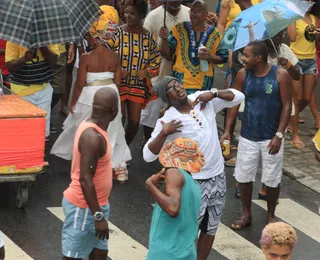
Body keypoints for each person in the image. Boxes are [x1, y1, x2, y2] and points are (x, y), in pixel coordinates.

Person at [143, 76, 244, 259]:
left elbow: (238, 96)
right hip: (194, 182)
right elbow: (147, 155)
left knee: (210, 227)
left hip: (218, 176)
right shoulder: (169, 119)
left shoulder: (202, 99)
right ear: (167, 98)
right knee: (188, 229)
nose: (178, 88)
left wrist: (214, 93)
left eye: (178, 83)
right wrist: (164, 133)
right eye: (171, 88)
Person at [221, 41, 292, 229]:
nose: (242, 58)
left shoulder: (280, 75)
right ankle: (246, 214)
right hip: (248, 135)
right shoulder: (243, 75)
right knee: (243, 177)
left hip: (271, 137)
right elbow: (234, 104)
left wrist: (279, 135)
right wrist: (228, 131)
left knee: (271, 179)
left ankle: (270, 215)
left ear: (258, 58)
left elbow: (287, 106)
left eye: (246, 55)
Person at [51, 7, 131, 170]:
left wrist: (73, 104)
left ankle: (86, 160)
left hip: (90, 96)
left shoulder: (87, 58)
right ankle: (110, 162)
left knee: (86, 126)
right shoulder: (114, 57)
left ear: (95, 36)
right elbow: (118, 82)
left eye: (88, 35)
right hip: (111, 93)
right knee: (111, 130)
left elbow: (79, 84)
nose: (87, 38)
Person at [61, 87, 119, 260]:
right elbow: (85, 179)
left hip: (97, 204)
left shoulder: (94, 126)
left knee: (100, 253)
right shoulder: (92, 137)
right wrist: (98, 216)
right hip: (85, 207)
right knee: (73, 257)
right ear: (114, 111)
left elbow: (94, 166)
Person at [107, 0, 161, 146]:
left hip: (137, 85)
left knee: (134, 122)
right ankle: (112, 150)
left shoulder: (148, 37)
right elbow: (105, 54)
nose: (127, 16)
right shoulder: (117, 33)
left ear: (141, 16)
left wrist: (147, 72)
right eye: (126, 13)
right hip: (118, 83)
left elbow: (156, 59)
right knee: (119, 117)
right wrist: (116, 70)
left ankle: (122, 149)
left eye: (132, 13)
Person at [140, 0, 190, 148]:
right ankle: (149, 141)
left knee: (176, 113)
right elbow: (144, 44)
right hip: (158, 74)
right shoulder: (154, 16)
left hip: (181, 76)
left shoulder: (188, 13)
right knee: (152, 113)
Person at [146, 137, 203, 260]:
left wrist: (150, 185)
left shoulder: (174, 173)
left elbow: (173, 208)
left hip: (166, 254)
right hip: (186, 254)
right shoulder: (195, 186)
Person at [160, 0, 226, 94]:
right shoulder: (179, 29)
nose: (194, 14)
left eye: (198, 11)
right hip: (180, 85)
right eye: (192, 11)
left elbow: (223, 57)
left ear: (205, 14)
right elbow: (166, 54)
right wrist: (164, 39)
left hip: (203, 86)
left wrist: (210, 56)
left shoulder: (214, 34)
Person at [5, 43, 59, 142]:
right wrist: (24, 59)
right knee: (22, 130)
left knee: (42, 129)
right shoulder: (14, 40)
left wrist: (42, 46)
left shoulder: (47, 38)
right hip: (21, 92)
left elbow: (54, 62)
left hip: (44, 89)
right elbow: (9, 66)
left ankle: (38, 155)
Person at [288, 0, 320, 147]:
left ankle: (289, 118)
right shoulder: (293, 16)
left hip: (310, 60)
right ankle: (295, 133)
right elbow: (292, 38)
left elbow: (316, 43)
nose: (309, 2)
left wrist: (317, 34)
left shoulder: (315, 19)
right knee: (296, 97)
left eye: (311, 1)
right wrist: (292, 20)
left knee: (306, 98)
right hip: (296, 60)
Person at [50, 43, 75, 133]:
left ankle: (46, 114)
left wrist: (71, 45)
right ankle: (45, 119)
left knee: (59, 89)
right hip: (40, 52)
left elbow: (69, 29)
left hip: (60, 52)